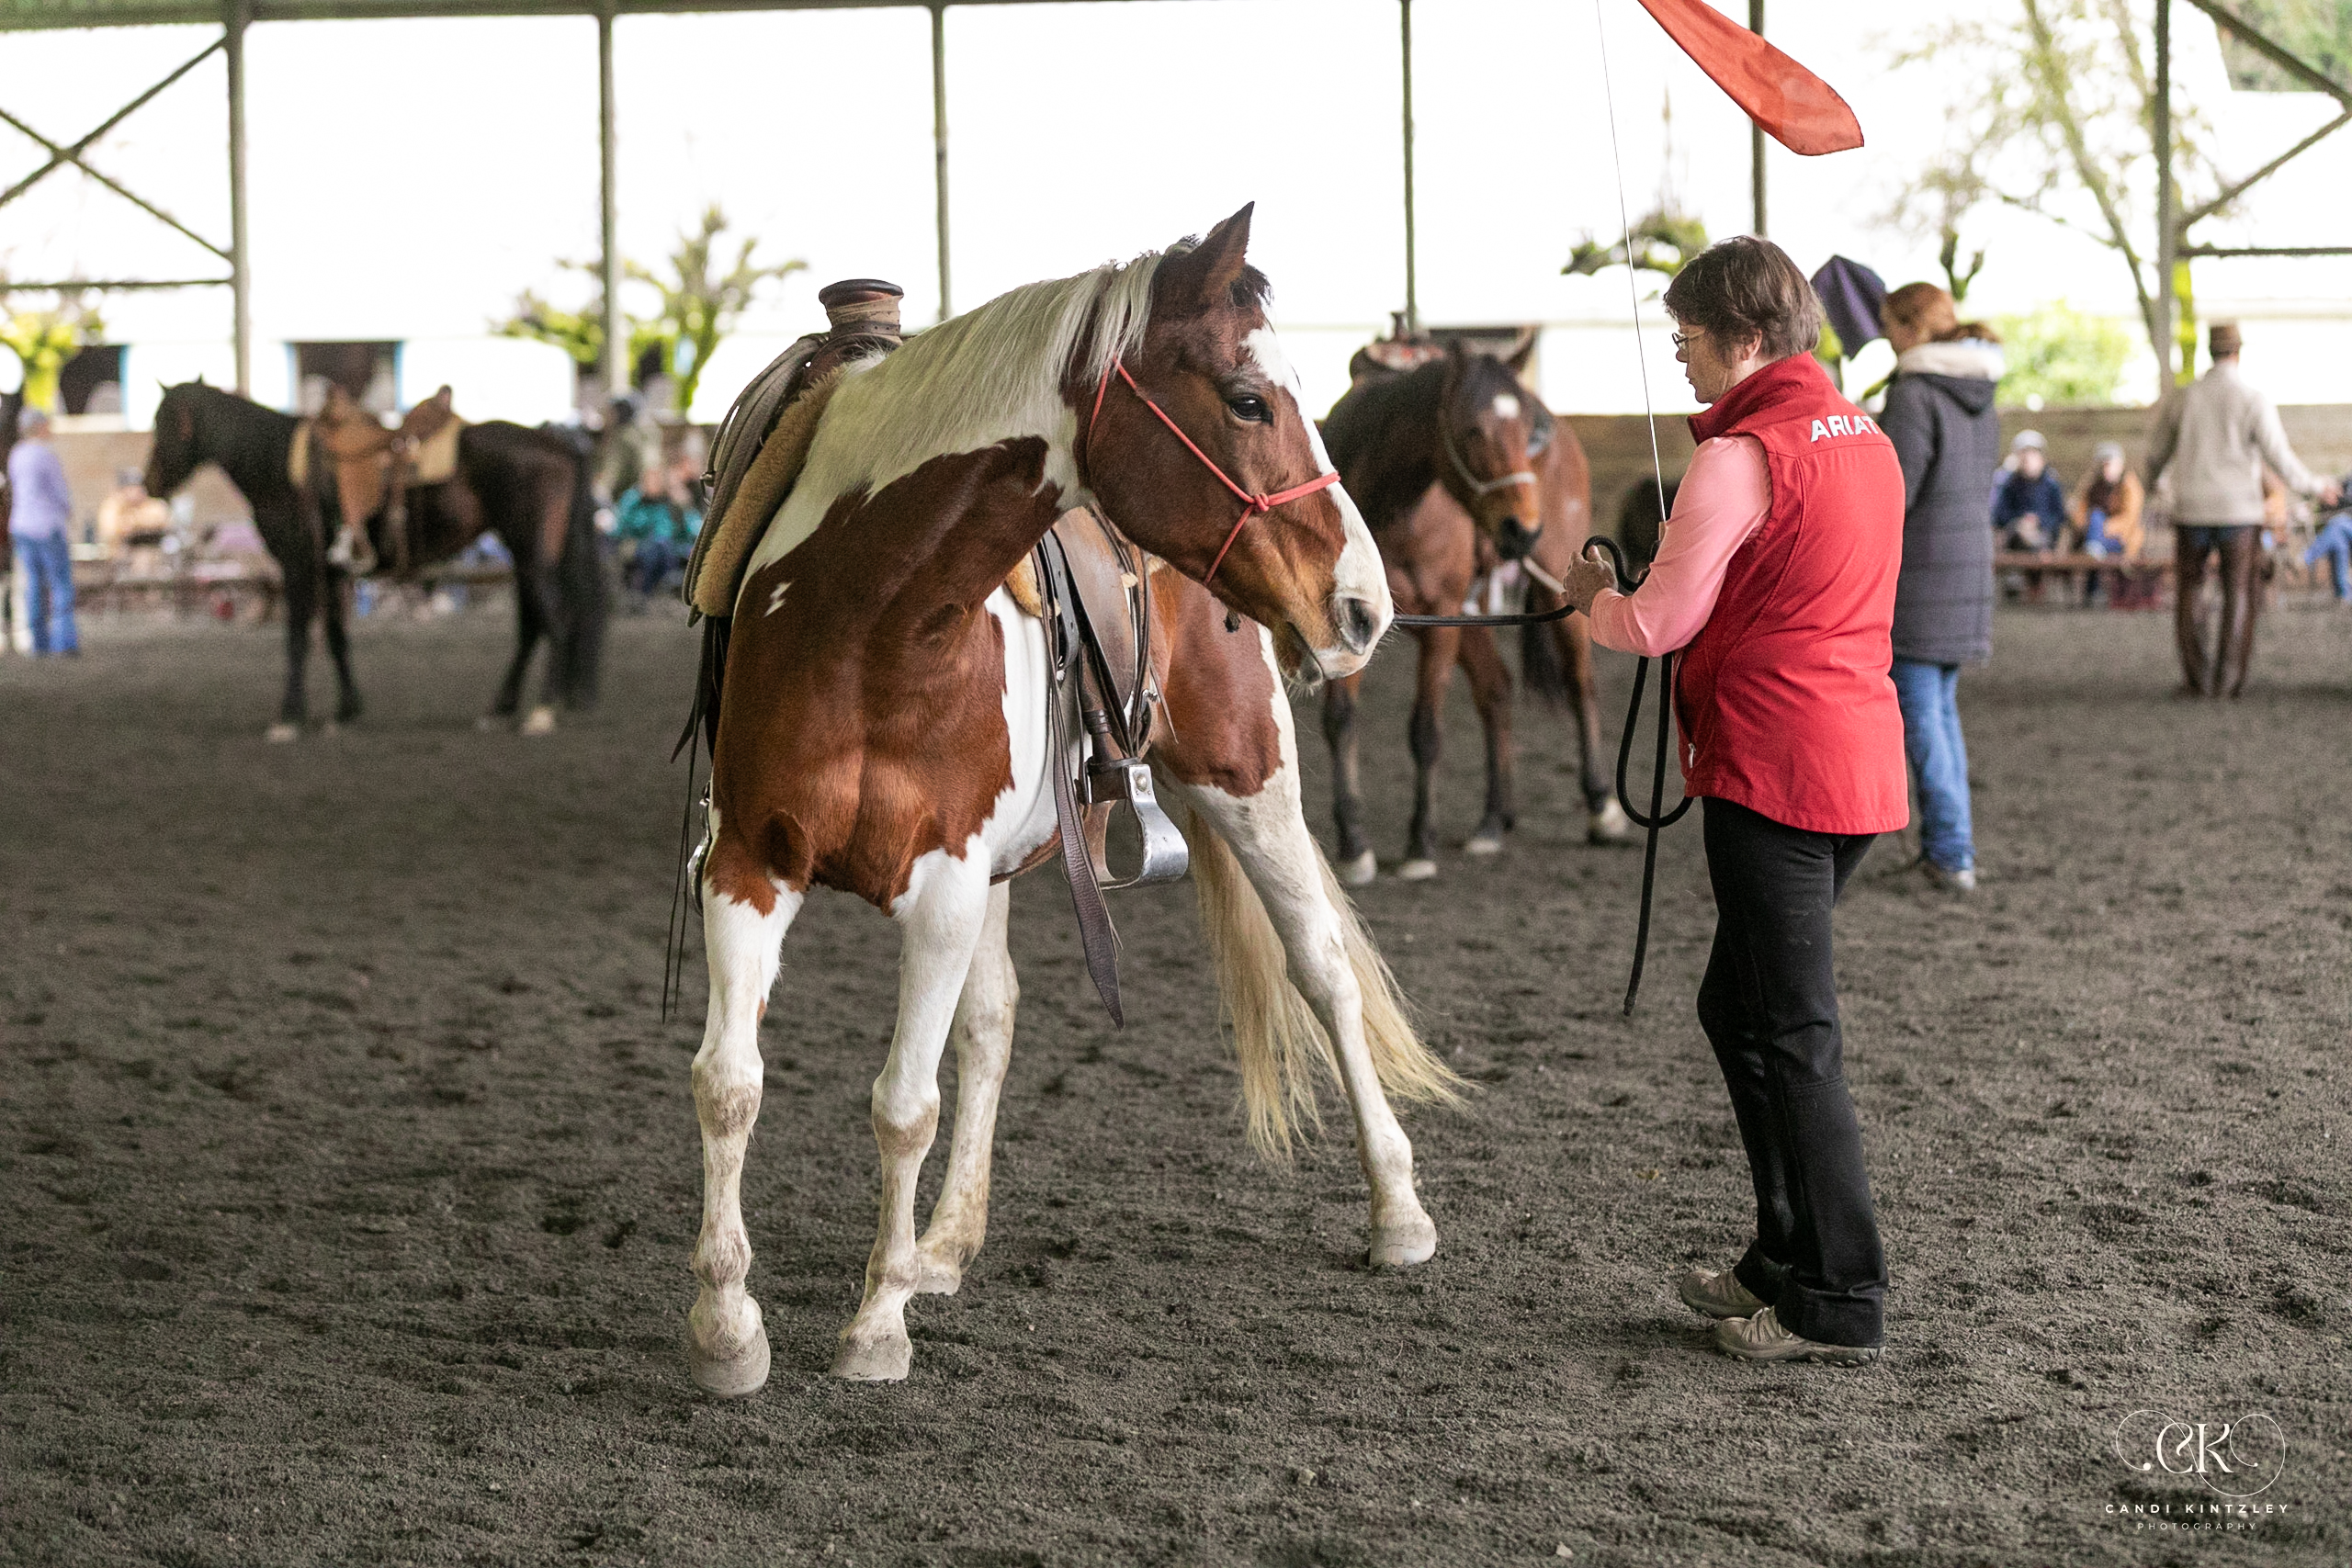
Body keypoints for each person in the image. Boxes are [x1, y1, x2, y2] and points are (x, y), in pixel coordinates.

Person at [1562, 236, 1903, 1366]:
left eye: (1690, 336)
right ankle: (1780, 1253)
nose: (1679, 354)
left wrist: (1590, 601)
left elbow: (1658, 623)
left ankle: (1838, 1295)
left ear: (1747, 338)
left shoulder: (1737, 456)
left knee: (1794, 1033)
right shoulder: (1865, 438)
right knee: (1738, 1008)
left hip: (1772, 767)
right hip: (1856, 759)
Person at [1878, 282, 2003, 894]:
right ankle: (1951, 846)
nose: (1886, 340)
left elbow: (1892, 494)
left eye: (1889, 329)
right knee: (1940, 713)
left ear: (1911, 329)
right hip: (1968, 568)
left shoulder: (1913, 393)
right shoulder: (1981, 393)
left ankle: (1951, 852)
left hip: (1922, 575)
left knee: (1923, 718)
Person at [2149, 321, 2342, 696]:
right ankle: (2229, 682)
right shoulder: (2253, 399)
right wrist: (2315, 485)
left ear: (2210, 352)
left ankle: (2197, 680)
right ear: (2238, 352)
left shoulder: (2184, 397)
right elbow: (2280, 457)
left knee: (2190, 590)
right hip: (2239, 512)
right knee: (2238, 590)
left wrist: (2154, 486)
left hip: (2191, 510)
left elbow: (2155, 455)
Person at [6, 405, 79, 657]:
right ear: (39, 426)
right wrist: (69, 512)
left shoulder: (16, 454)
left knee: (34, 584)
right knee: (60, 584)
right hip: (47, 527)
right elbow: (59, 491)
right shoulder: (45, 455)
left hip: (21, 525)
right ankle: (65, 641)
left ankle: (39, 643)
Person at [613, 452, 702, 607]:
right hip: (637, 545)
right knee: (656, 549)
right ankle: (646, 593)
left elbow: (693, 527)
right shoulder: (633, 499)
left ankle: (655, 593)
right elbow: (620, 527)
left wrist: (684, 505)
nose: (655, 483)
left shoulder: (670, 502)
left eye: (658, 480)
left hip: (669, 548)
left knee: (664, 547)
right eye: (651, 479)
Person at [1992, 431, 2065, 554]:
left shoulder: (2051, 485)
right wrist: (2019, 522)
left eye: (2033, 453)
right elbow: (2001, 515)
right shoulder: (2010, 484)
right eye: (2024, 454)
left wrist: (2038, 521)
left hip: (2044, 536)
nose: (2028, 458)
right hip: (2015, 536)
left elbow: (2058, 516)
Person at [2303, 474, 2352, 605]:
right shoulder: (2346, 482)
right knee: (2339, 543)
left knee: (2337, 523)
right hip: (2344, 534)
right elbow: (2320, 524)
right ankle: (2343, 593)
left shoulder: (2345, 492)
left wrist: (2340, 498)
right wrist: (2325, 502)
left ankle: (2308, 556)